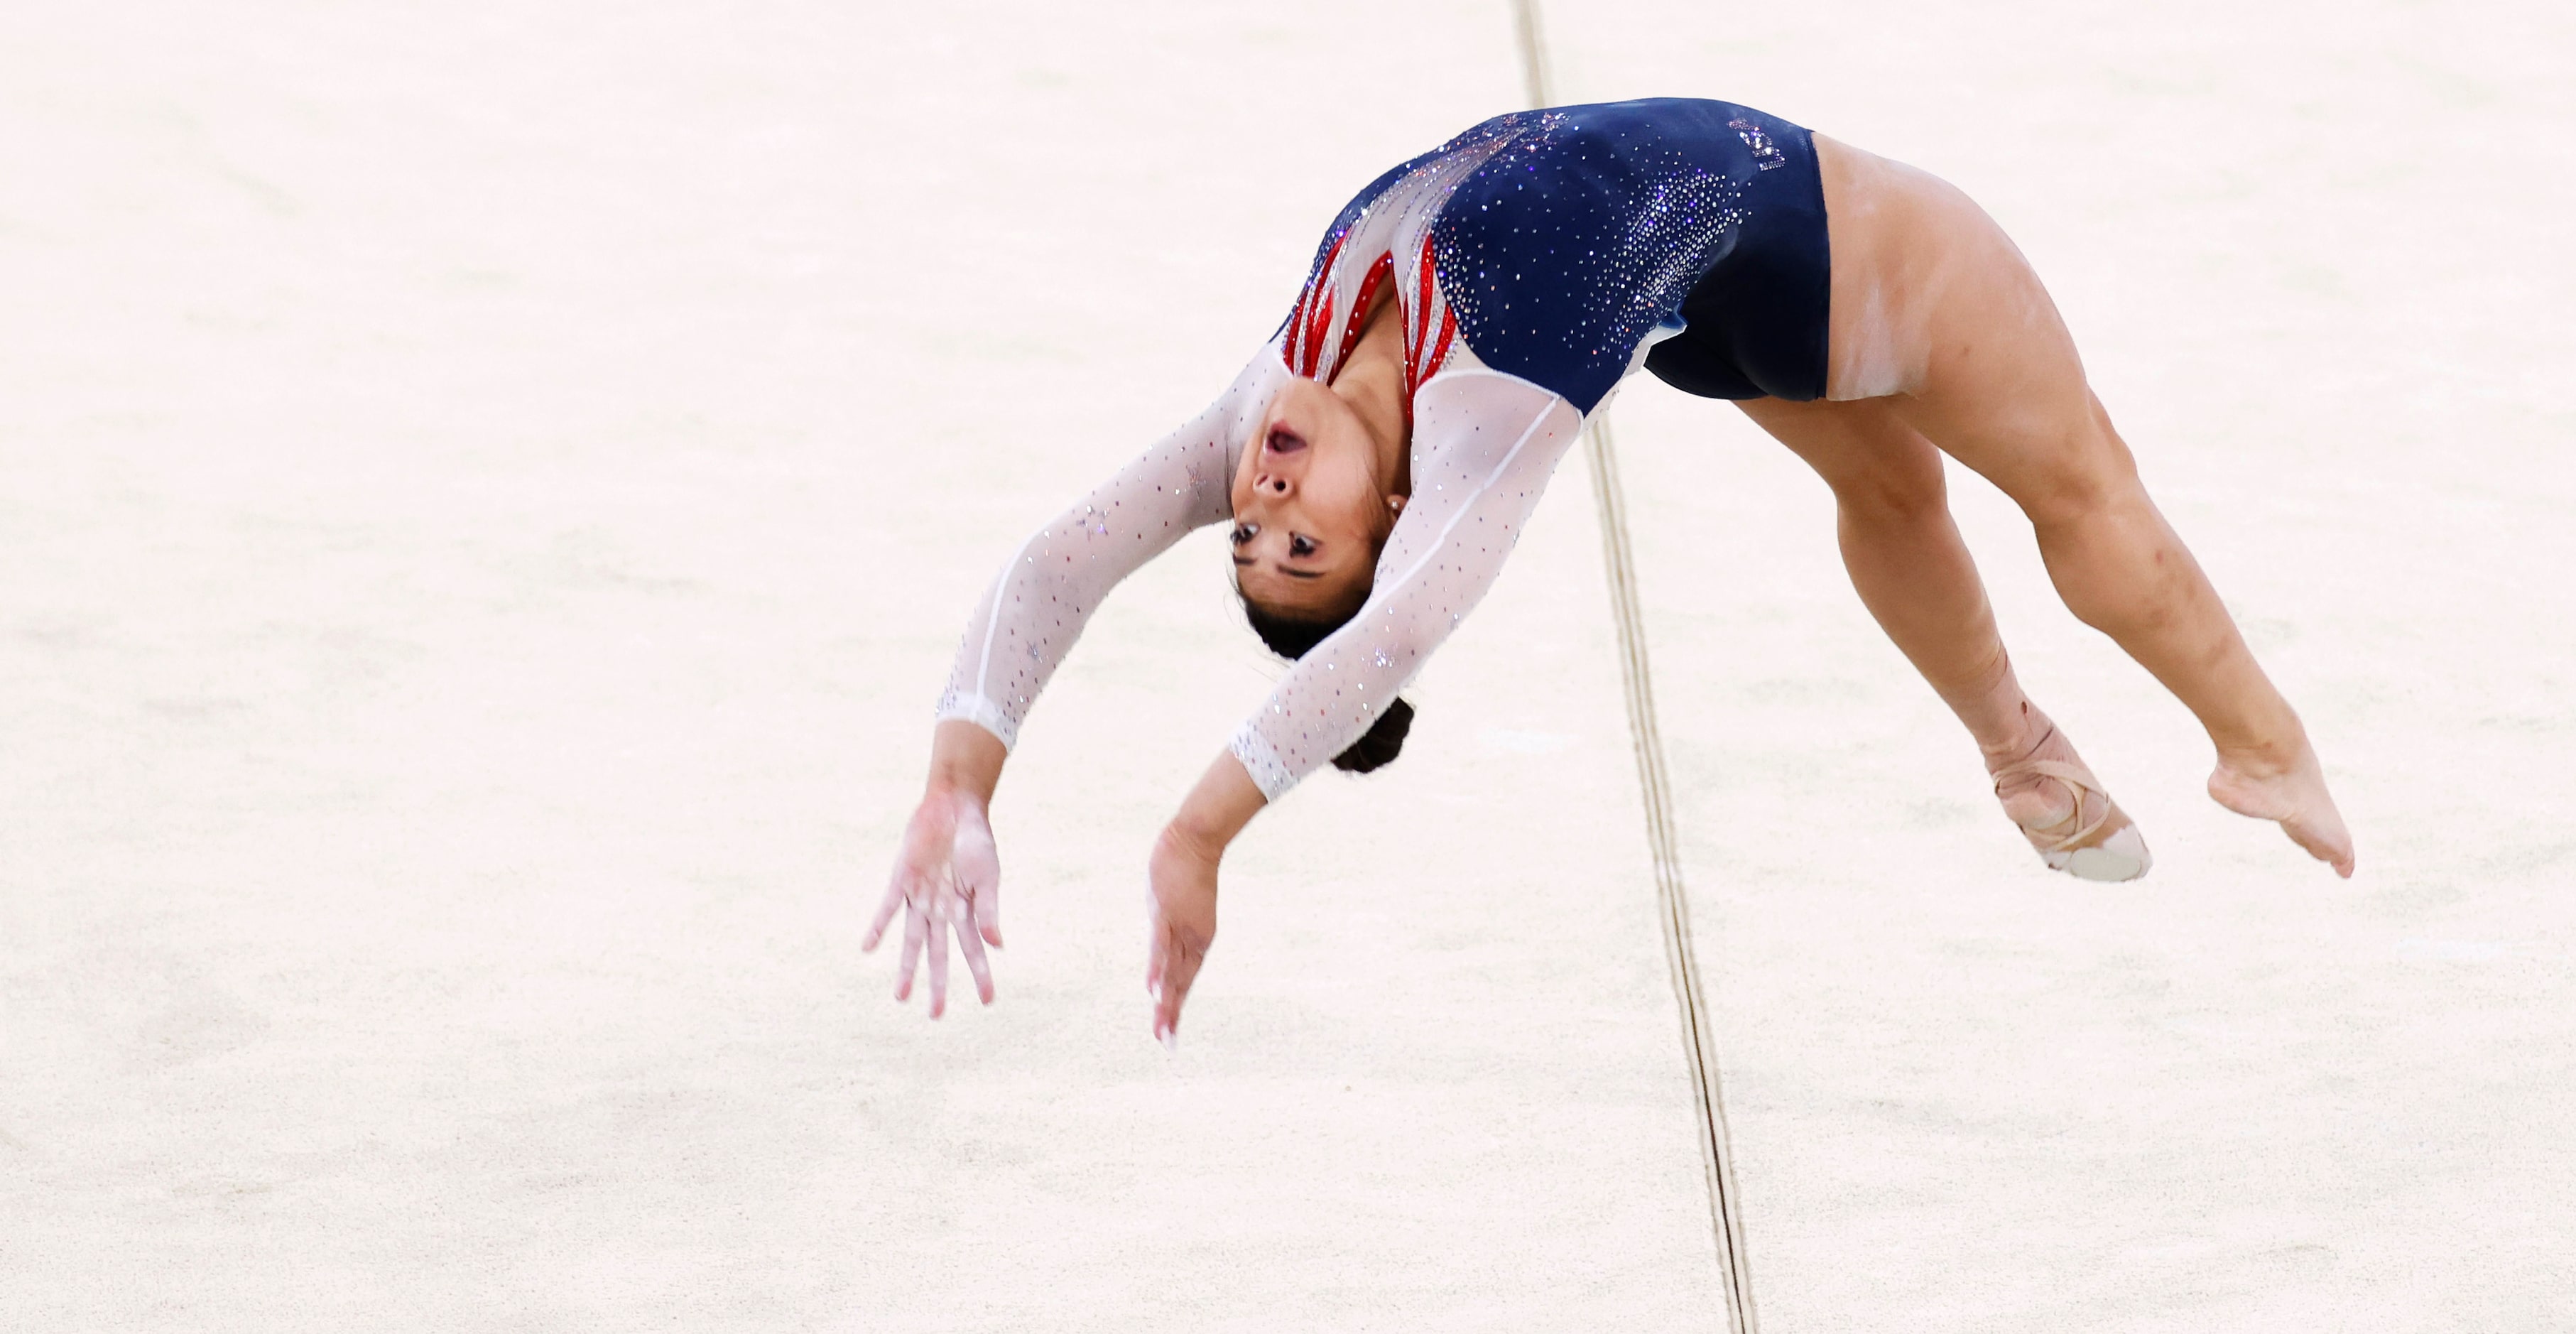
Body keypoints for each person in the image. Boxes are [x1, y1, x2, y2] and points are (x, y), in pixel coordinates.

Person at [864, 98, 2357, 1043]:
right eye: (1304, 542)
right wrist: (1194, 839)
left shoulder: (1283, 377)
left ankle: (2019, 757)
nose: (1256, 502)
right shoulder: (1482, 417)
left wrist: (958, 784)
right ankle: (2262, 749)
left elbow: (1057, 563)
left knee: (1891, 488)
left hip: (1733, 296)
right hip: (1871, 249)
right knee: (2081, 489)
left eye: (1247, 539)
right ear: (1398, 505)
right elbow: (1382, 650)